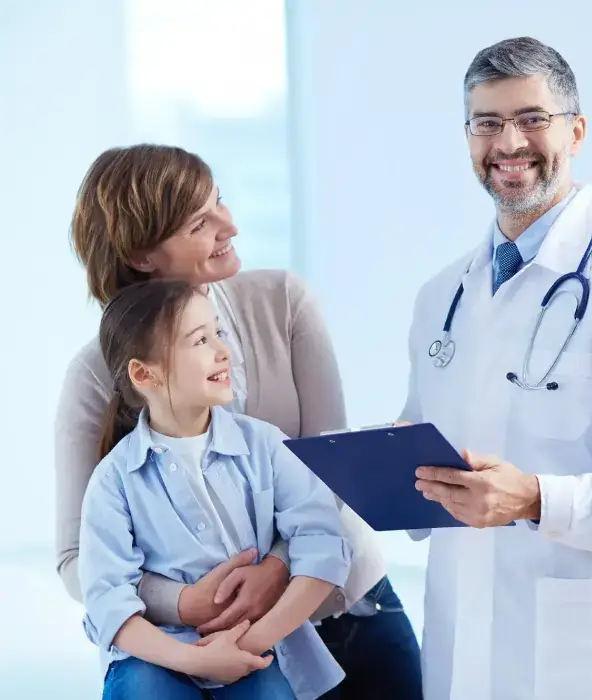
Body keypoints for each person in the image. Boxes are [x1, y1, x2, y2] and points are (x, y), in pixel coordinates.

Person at [401, 37, 592, 699]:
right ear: (467, 138)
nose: (508, 142)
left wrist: (536, 498)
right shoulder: (442, 299)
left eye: (531, 119)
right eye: (487, 123)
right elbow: (427, 459)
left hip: (583, 662)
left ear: (577, 129)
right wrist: (388, 470)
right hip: (463, 654)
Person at [56, 145, 422, 699]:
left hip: (342, 608)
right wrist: (185, 604)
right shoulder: (94, 375)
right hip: (203, 646)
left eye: (219, 201)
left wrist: (277, 566)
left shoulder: (284, 302)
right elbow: (77, 558)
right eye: (201, 221)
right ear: (143, 256)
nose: (230, 224)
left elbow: (332, 471)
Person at [80, 278, 352, 699]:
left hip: (259, 646)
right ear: (143, 373)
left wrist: (248, 644)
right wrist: (197, 659)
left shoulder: (267, 445)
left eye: (219, 333)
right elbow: (106, 601)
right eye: (200, 340)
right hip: (157, 657)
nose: (223, 350)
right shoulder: (113, 480)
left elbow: (322, 547)